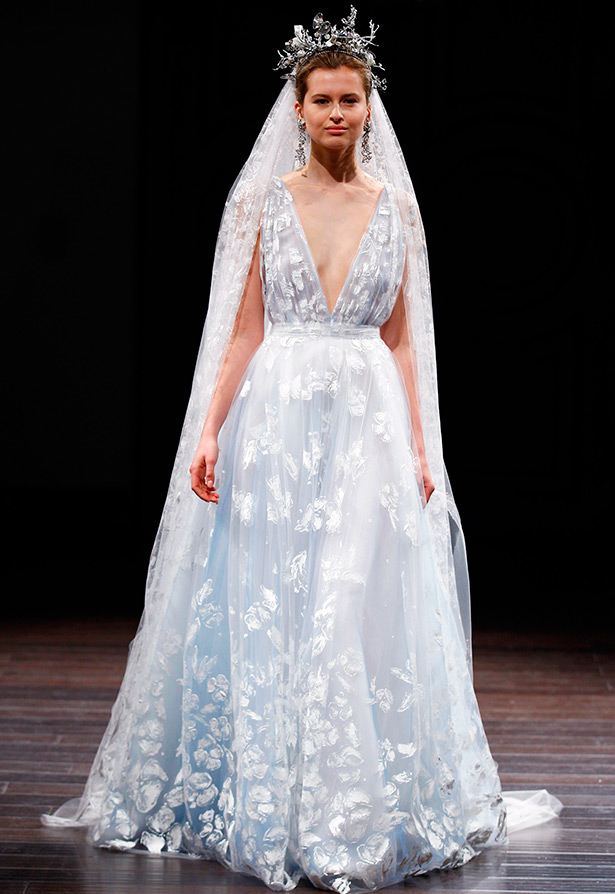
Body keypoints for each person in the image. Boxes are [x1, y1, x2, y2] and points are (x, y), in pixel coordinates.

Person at [41, 8, 562, 892]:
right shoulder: (263, 202)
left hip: (366, 419)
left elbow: (403, 338)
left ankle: (343, 806)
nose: (335, 113)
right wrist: (209, 429)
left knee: (346, 596)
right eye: (321, 99)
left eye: (349, 99)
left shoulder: (394, 206)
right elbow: (242, 330)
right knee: (273, 598)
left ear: (369, 105)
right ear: (297, 106)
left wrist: (421, 444)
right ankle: (274, 796)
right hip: (277, 417)